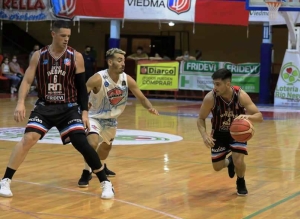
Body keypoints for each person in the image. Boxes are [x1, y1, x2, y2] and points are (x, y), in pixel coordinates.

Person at [0, 20, 114, 200]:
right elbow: (28, 80)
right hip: (45, 106)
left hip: (68, 108)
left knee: (81, 142)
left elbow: (81, 88)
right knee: (29, 138)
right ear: (53, 34)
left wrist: (84, 112)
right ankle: (5, 179)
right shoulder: (39, 55)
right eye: (63, 36)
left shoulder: (76, 57)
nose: (66, 39)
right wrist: (20, 102)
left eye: (68, 36)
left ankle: (105, 182)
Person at [77, 48, 159, 187]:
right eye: (119, 60)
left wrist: (150, 107)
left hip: (111, 120)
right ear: (110, 62)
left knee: (105, 149)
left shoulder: (126, 79)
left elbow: (142, 97)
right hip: (94, 117)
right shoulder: (98, 78)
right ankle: (86, 171)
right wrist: (83, 108)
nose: (123, 63)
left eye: (124, 61)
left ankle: (100, 165)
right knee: (92, 143)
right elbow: (81, 94)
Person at [197, 68, 263, 196]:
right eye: (214, 83)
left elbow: (259, 116)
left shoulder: (241, 95)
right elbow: (200, 118)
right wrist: (204, 135)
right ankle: (229, 162)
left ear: (228, 84)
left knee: (239, 161)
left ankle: (241, 180)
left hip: (237, 133)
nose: (214, 87)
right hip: (219, 133)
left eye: (218, 84)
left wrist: (247, 117)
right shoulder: (210, 98)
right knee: (217, 167)